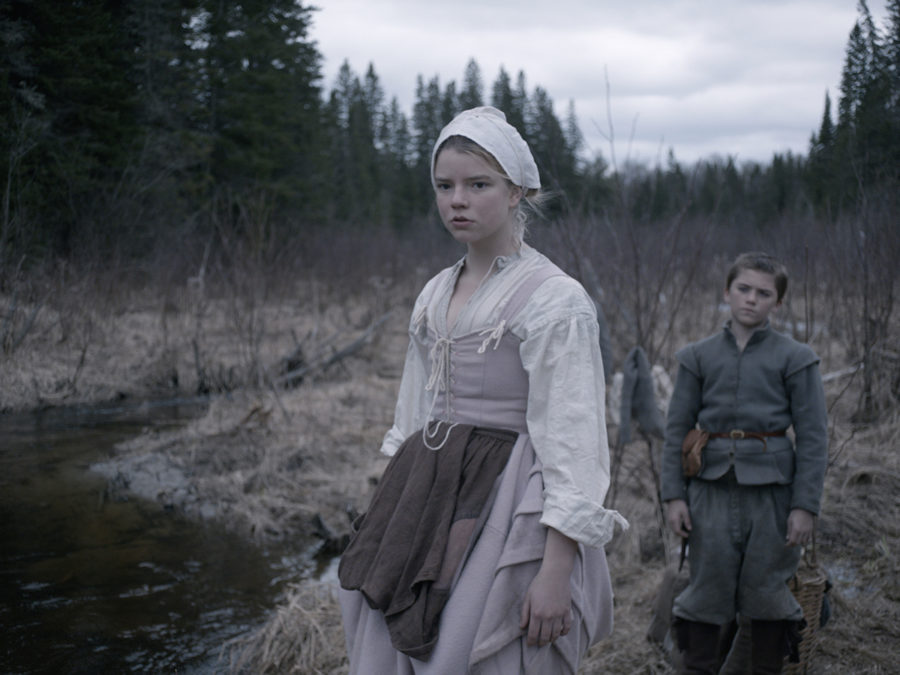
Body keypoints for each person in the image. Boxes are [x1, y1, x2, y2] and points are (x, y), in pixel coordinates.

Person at [337, 106, 627, 674]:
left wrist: (555, 568)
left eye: (478, 184)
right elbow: (416, 407)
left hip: (509, 495)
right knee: (393, 632)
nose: (457, 200)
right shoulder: (435, 293)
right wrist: (393, 509)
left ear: (517, 190)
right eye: (444, 186)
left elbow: (573, 438)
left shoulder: (553, 299)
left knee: (471, 646)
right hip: (427, 487)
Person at [661, 252, 828, 674]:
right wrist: (674, 497)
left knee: (768, 594)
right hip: (710, 493)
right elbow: (676, 431)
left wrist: (804, 506)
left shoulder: (796, 358)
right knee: (705, 591)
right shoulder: (697, 357)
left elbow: (812, 437)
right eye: (744, 289)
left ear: (778, 302)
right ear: (727, 292)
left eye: (764, 293)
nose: (751, 300)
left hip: (772, 497)